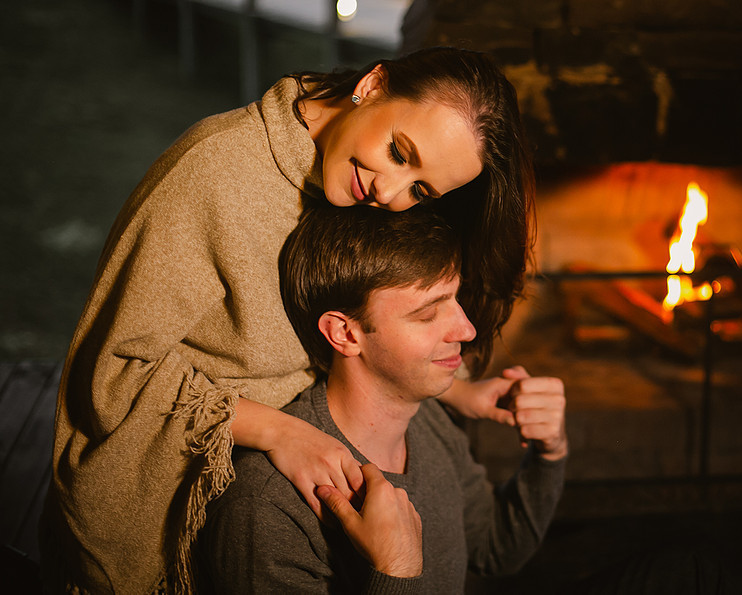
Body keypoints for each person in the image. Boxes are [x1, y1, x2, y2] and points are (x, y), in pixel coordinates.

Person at [40, 47, 535, 594]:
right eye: (398, 151)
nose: (389, 193)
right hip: (158, 524)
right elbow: (113, 372)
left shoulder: (344, 169)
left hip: (271, 488)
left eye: (421, 190)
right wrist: (279, 431)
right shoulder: (215, 174)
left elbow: (366, 314)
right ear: (372, 84)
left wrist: (457, 391)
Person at [198, 204, 567, 593]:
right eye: (427, 315)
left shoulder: (426, 419)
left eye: (455, 299)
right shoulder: (268, 506)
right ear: (345, 333)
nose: (468, 329)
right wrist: (396, 572)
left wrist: (549, 453)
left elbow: (495, 549)